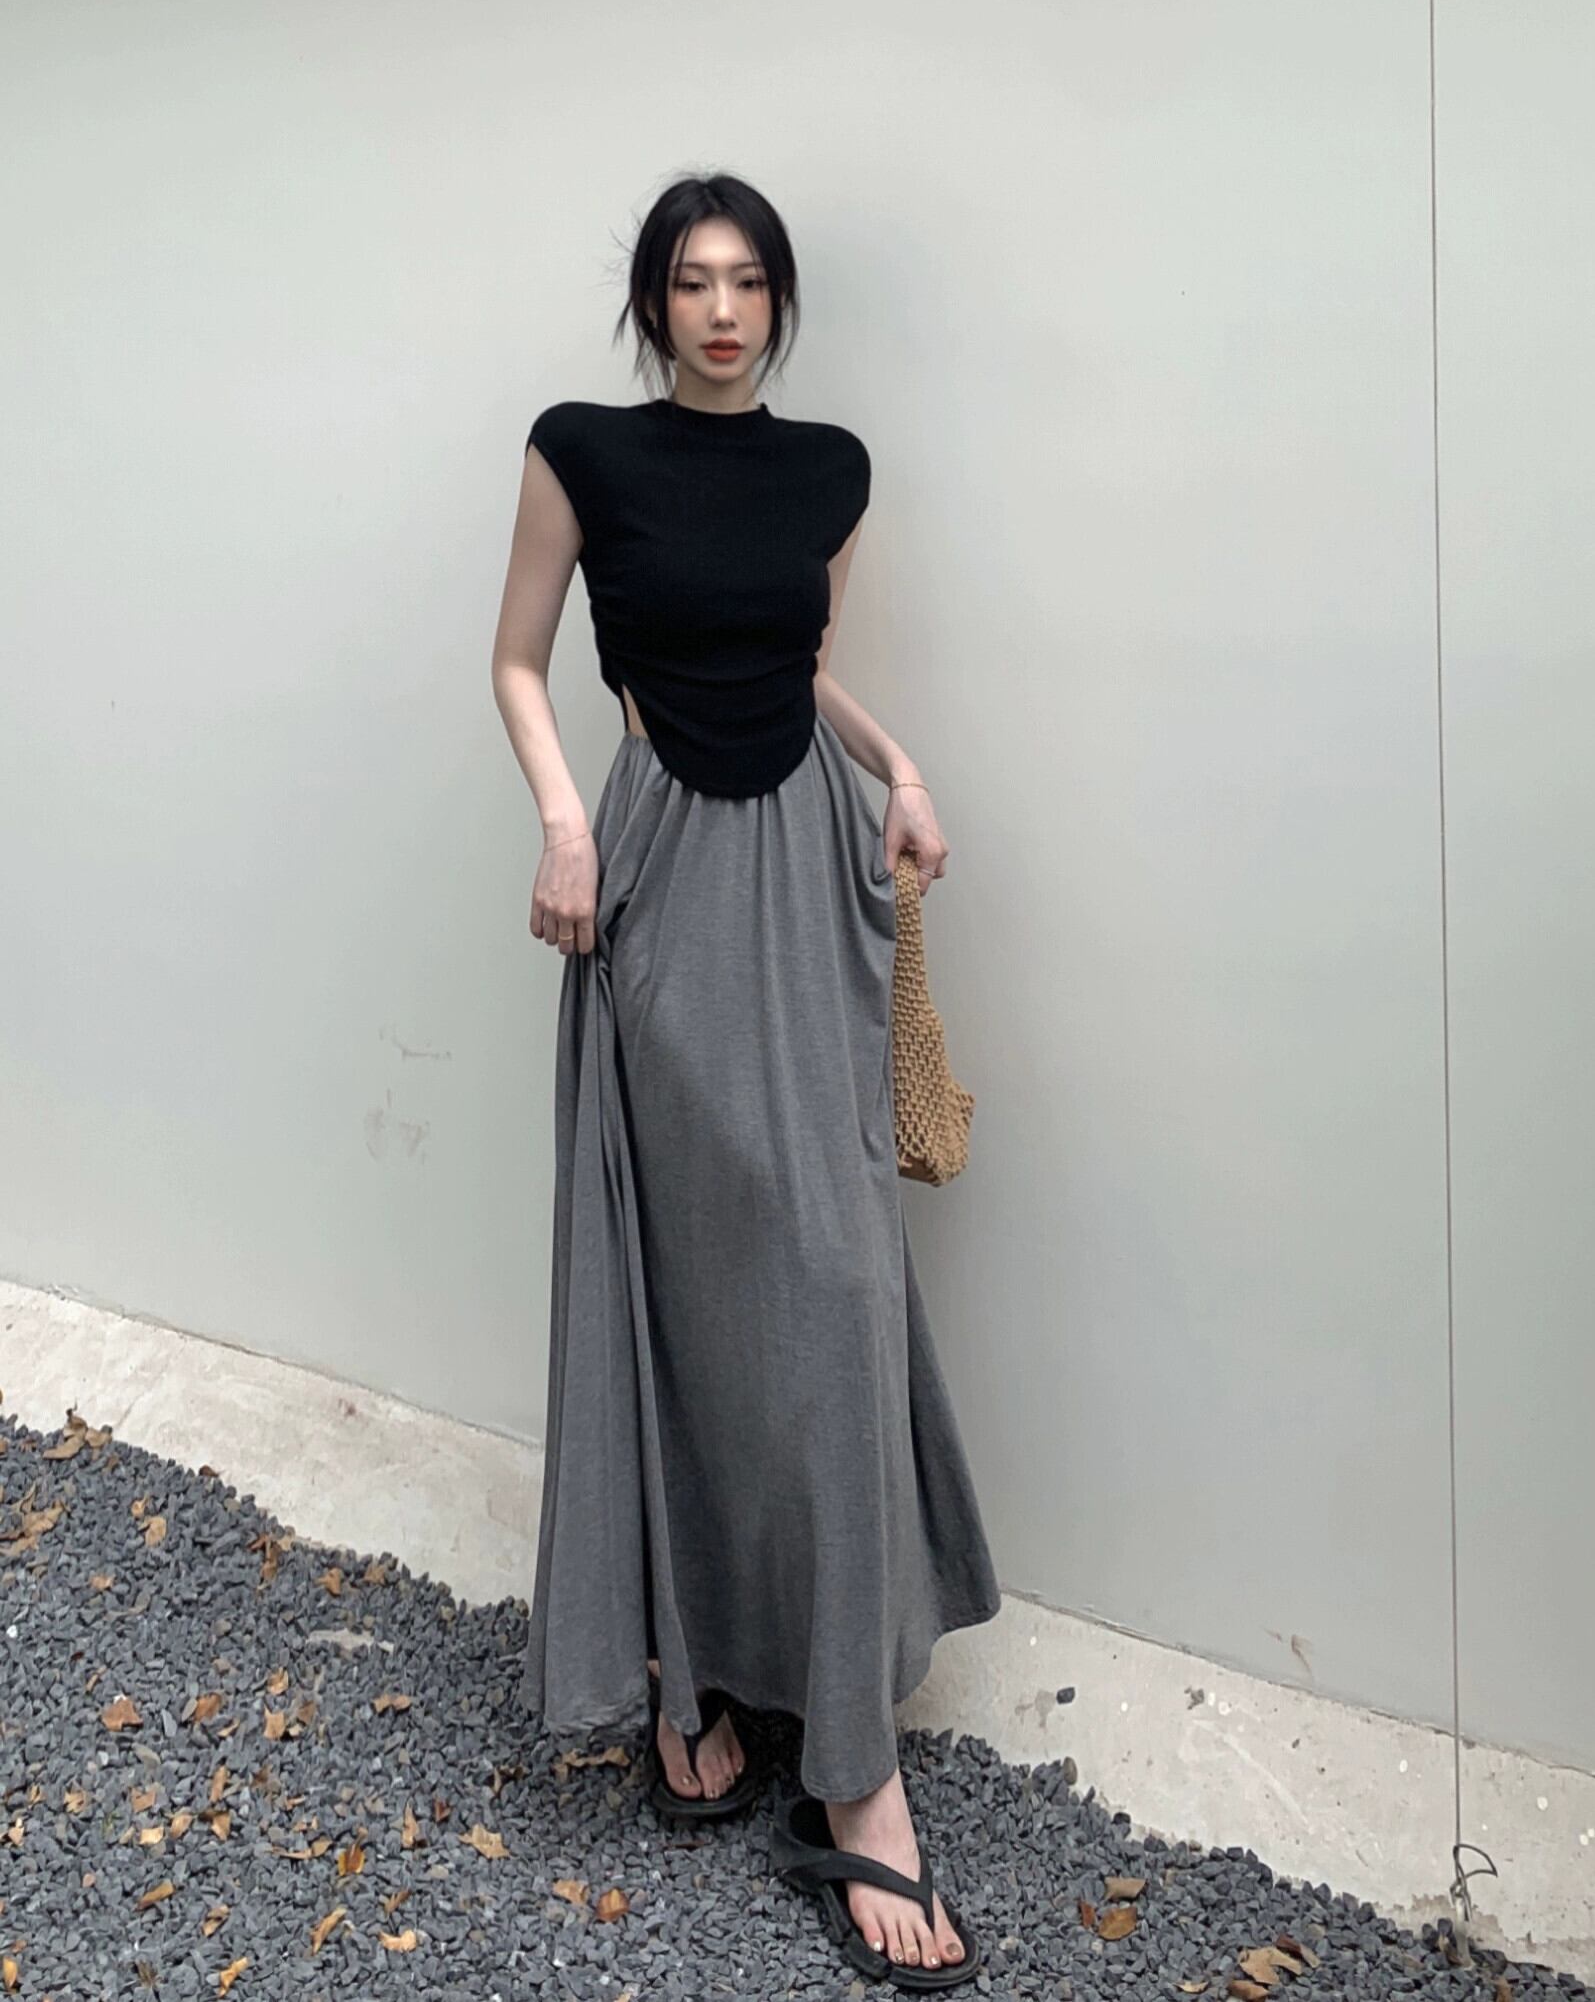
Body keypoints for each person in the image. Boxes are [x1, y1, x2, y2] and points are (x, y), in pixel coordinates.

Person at [490, 169, 1002, 1987]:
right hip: (658, 874)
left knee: (839, 1282)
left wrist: (898, 761)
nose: (723, 309)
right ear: (654, 305)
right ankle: (685, 1668)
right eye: (692, 282)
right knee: (690, 1290)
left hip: (806, 861)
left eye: (751, 281)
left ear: (781, 302)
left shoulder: (832, 471)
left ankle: (856, 1770)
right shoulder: (580, 452)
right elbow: (518, 659)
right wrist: (564, 819)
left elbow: (805, 660)